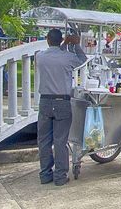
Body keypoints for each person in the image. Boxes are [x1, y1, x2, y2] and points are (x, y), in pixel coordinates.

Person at [36, 28, 85, 186]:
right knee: (60, 141)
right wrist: (74, 44)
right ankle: (60, 176)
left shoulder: (40, 56)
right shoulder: (68, 57)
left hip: (45, 101)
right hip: (62, 101)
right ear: (61, 39)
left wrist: (64, 43)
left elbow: (55, 52)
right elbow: (82, 60)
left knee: (44, 140)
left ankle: (45, 174)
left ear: (47, 40)